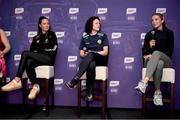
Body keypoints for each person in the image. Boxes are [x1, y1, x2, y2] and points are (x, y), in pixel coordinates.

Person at [1, 16, 58, 100]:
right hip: (38, 60)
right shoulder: (36, 37)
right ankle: (35, 86)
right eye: (44, 23)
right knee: (29, 62)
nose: (47, 25)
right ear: (40, 25)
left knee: (25, 53)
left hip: (48, 59)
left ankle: (17, 79)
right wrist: (37, 53)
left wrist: (38, 52)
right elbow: (32, 52)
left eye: (48, 23)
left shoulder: (52, 35)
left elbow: (53, 49)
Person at [65, 16, 109, 101]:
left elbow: (105, 52)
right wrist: (89, 55)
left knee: (91, 54)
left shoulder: (103, 36)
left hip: (100, 60)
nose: (98, 25)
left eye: (99, 23)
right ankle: (89, 94)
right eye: (96, 23)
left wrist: (92, 53)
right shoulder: (85, 37)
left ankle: (75, 80)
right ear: (91, 25)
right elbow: (81, 54)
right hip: (90, 61)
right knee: (91, 65)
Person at [135, 13, 174, 106]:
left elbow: (170, 51)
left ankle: (144, 82)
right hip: (154, 62)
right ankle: (157, 93)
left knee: (156, 54)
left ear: (162, 20)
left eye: (156, 19)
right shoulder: (150, 34)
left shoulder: (169, 33)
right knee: (159, 64)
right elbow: (144, 53)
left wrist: (156, 55)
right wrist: (149, 46)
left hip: (167, 60)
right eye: (152, 20)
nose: (154, 22)